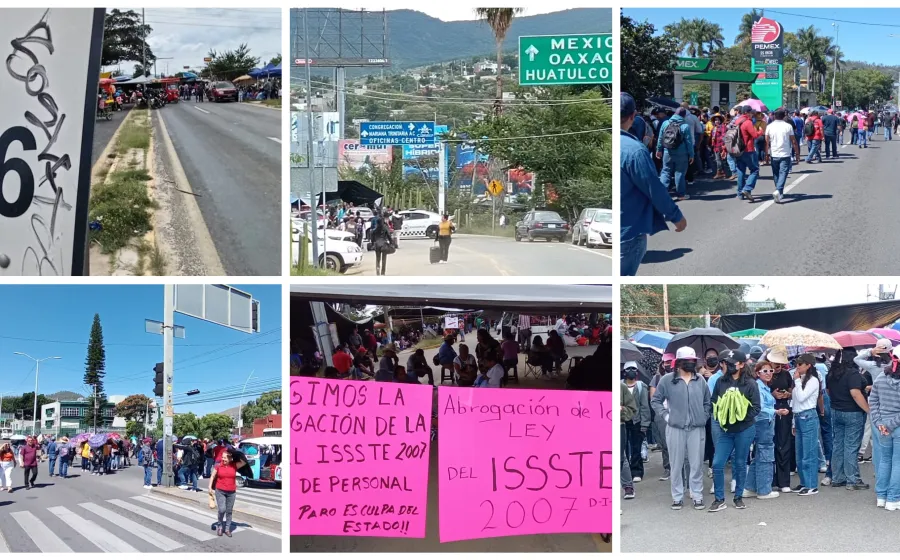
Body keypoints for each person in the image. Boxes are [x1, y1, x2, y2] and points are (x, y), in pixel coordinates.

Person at [620, 93, 687, 276]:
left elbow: (660, 140)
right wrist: (675, 215)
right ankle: (681, 192)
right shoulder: (633, 151)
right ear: (633, 116)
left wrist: (658, 150)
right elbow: (653, 188)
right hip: (628, 232)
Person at [650, 347, 711, 510]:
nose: (691, 363)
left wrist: (703, 416)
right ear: (678, 362)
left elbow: (707, 401)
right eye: (687, 360)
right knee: (676, 464)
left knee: (696, 464)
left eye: (693, 360)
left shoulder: (700, 380)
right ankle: (677, 496)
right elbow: (655, 401)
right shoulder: (667, 380)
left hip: (697, 428)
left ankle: (697, 495)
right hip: (675, 428)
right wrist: (667, 416)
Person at [709, 350, 760, 512]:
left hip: (744, 429)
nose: (729, 365)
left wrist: (739, 416)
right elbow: (714, 401)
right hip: (726, 430)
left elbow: (756, 408)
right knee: (717, 463)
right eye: (727, 362)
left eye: (732, 363)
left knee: (740, 463)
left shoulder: (750, 383)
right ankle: (719, 499)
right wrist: (721, 414)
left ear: (742, 365)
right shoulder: (720, 381)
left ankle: (738, 497)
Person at [827, 348, 871, 490]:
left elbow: (828, 391)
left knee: (838, 445)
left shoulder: (831, 373)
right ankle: (853, 479)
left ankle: (838, 477)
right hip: (853, 412)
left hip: (836, 410)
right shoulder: (852, 374)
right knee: (851, 446)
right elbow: (855, 393)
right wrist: (868, 410)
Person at [869, 346, 900, 509]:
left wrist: (879, 423)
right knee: (898, 462)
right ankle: (893, 499)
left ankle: (881, 496)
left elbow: (873, 401)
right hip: (894, 425)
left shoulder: (881, 376)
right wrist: (889, 424)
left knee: (885, 460)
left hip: (883, 426)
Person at [744, 361, 779, 499]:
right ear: (758, 373)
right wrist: (775, 411)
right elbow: (760, 408)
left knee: (759, 454)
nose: (769, 373)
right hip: (763, 423)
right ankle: (764, 490)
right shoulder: (758, 386)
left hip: (764, 422)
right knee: (766, 454)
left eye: (771, 371)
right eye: (765, 371)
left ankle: (750, 487)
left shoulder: (763, 386)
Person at [792, 353, 821, 495]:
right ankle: (804, 482)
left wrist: (797, 381)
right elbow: (795, 402)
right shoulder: (801, 379)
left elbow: (802, 397)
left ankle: (811, 485)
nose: (797, 367)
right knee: (800, 453)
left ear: (808, 365)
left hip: (808, 416)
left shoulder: (813, 380)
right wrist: (793, 422)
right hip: (798, 416)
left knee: (808, 453)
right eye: (796, 364)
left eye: (800, 364)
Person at [656, 107, 694, 201]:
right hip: (681, 153)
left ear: (674, 114)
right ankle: (681, 195)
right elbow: (689, 142)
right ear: (684, 116)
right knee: (680, 173)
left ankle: (662, 194)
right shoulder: (685, 126)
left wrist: (659, 150)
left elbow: (660, 138)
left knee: (665, 171)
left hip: (667, 151)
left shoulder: (665, 123)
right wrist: (691, 155)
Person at [623, 361, 650, 483]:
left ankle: (636, 472)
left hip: (637, 421)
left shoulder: (641, 386)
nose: (631, 371)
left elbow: (644, 406)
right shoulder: (619, 385)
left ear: (637, 372)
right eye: (628, 369)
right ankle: (624, 473)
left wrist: (645, 424)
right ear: (624, 372)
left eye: (633, 369)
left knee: (636, 448)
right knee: (623, 448)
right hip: (623, 421)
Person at [765, 109, 801, 204]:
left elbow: (767, 142)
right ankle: (779, 190)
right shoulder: (788, 126)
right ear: (784, 116)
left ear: (774, 116)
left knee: (776, 173)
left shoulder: (769, 126)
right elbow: (793, 141)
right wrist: (797, 154)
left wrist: (766, 154)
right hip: (785, 153)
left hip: (774, 153)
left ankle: (779, 191)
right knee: (783, 173)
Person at [209, 449, 247, 537]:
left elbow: (244, 462)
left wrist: (235, 453)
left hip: (231, 492)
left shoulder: (234, 465)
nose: (223, 459)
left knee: (229, 511)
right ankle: (220, 526)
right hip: (220, 490)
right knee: (222, 509)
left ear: (230, 458)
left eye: (225, 458)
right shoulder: (218, 466)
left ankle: (227, 529)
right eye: (222, 457)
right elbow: (212, 476)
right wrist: (209, 487)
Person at [732, 105, 761, 201]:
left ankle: (740, 193)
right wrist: (760, 131)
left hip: (738, 149)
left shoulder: (737, 121)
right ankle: (747, 189)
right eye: (751, 112)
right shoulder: (748, 122)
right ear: (747, 113)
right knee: (755, 170)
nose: (752, 114)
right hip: (748, 149)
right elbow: (754, 135)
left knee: (741, 170)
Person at [621, 379, 639, 500]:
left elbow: (632, 409)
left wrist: (621, 410)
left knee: (620, 456)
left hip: (618, 425)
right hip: (592, 424)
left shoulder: (621, 387)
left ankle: (627, 485)